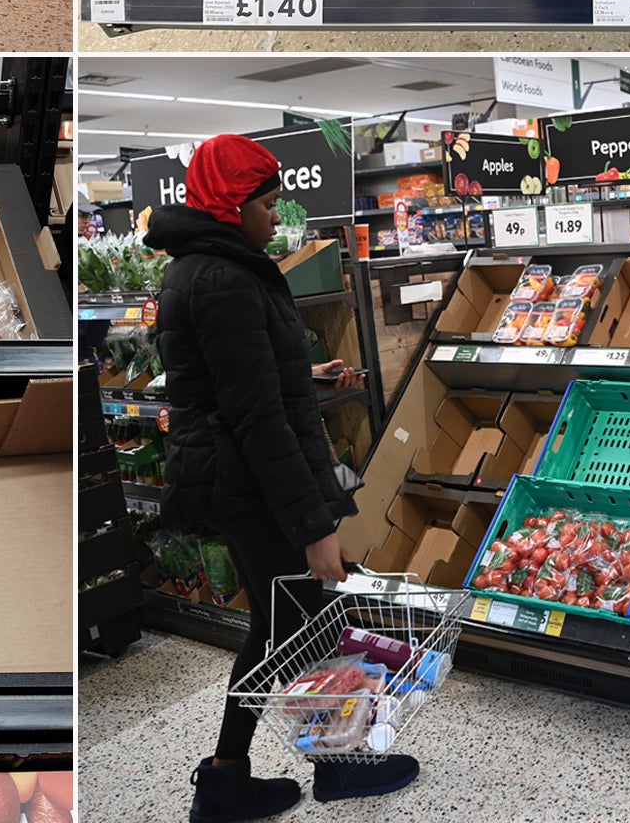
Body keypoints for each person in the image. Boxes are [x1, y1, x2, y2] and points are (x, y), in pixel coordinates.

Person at [146, 134, 417, 822]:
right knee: (300, 623)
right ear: (233, 206)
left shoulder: (205, 268)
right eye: (267, 204)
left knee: (281, 627)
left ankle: (232, 776)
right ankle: (329, 765)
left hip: (238, 479)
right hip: (251, 484)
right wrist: (314, 527)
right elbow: (256, 421)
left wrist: (307, 372)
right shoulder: (225, 278)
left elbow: (240, 378)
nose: (277, 217)